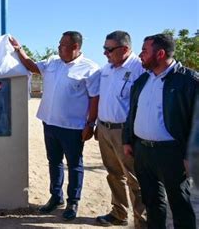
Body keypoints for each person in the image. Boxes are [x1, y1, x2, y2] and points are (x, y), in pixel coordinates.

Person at [10, 31, 100, 221]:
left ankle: (73, 202)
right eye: (59, 44)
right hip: (49, 123)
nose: (58, 48)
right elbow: (32, 67)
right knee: (54, 162)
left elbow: (94, 98)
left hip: (73, 127)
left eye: (62, 45)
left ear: (75, 47)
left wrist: (90, 124)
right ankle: (56, 197)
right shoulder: (52, 62)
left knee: (74, 165)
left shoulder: (90, 69)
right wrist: (19, 50)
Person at [123, 33, 198, 229]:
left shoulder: (189, 81)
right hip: (143, 152)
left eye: (145, 51)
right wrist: (127, 141)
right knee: (152, 203)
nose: (140, 55)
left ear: (160, 53)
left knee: (180, 204)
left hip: (173, 154)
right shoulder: (142, 81)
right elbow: (132, 113)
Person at [95, 31, 147, 227]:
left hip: (126, 133)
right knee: (113, 174)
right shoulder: (107, 69)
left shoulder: (139, 68)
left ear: (124, 49)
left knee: (135, 179)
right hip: (104, 129)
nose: (105, 53)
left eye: (109, 49)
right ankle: (119, 213)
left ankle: (141, 222)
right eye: (104, 49)